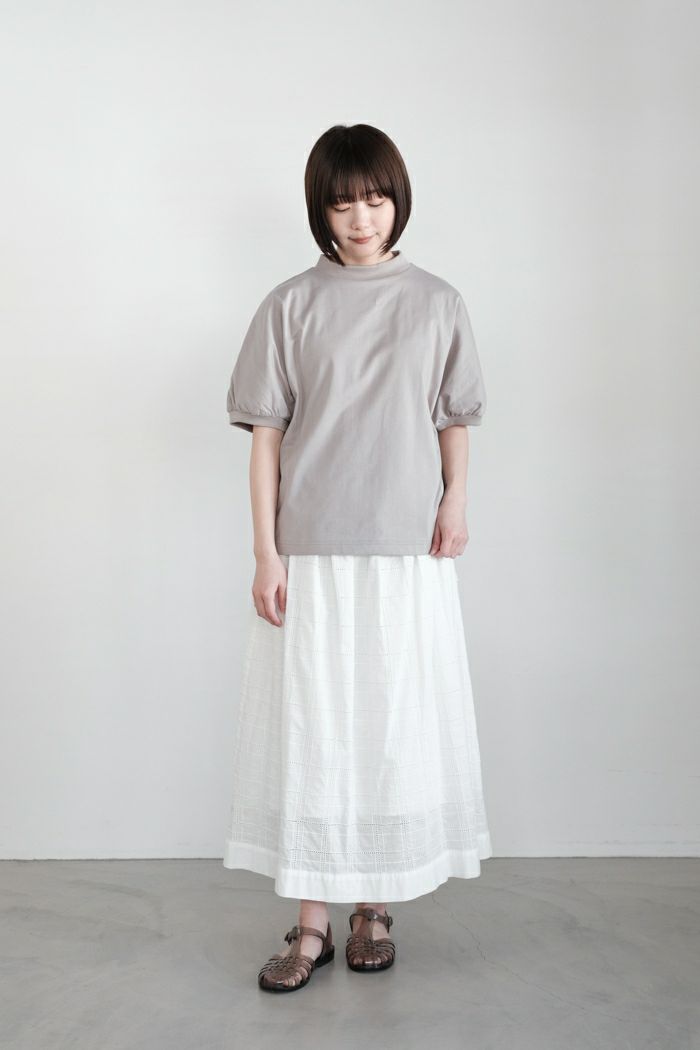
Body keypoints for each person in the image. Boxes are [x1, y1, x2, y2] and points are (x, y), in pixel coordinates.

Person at [223, 123, 492, 992]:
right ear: (321, 211)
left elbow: (453, 416)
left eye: (375, 200)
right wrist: (266, 552)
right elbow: (267, 439)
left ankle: (375, 906)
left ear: (397, 201)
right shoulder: (289, 305)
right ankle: (311, 923)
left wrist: (454, 499)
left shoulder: (438, 302)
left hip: (404, 549)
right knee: (315, 729)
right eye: (343, 204)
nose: (361, 219)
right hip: (312, 548)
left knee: (389, 721)